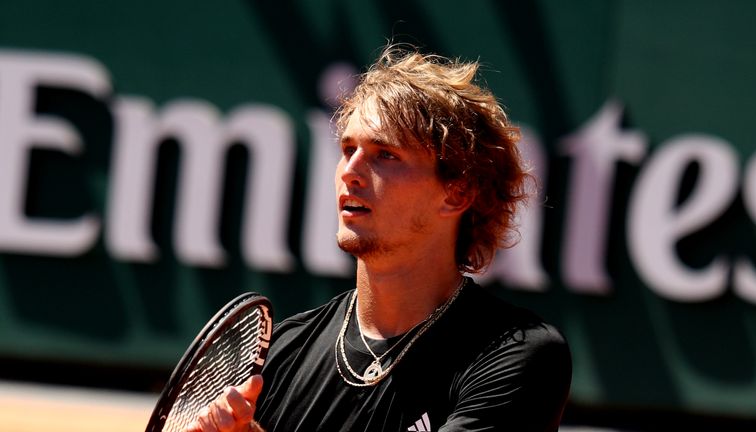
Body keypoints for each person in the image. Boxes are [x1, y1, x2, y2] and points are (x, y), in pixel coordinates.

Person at [186, 44, 571, 432]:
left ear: (456, 193)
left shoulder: (519, 354)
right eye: (348, 148)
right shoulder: (286, 351)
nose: (350, 172)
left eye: (385, 154)